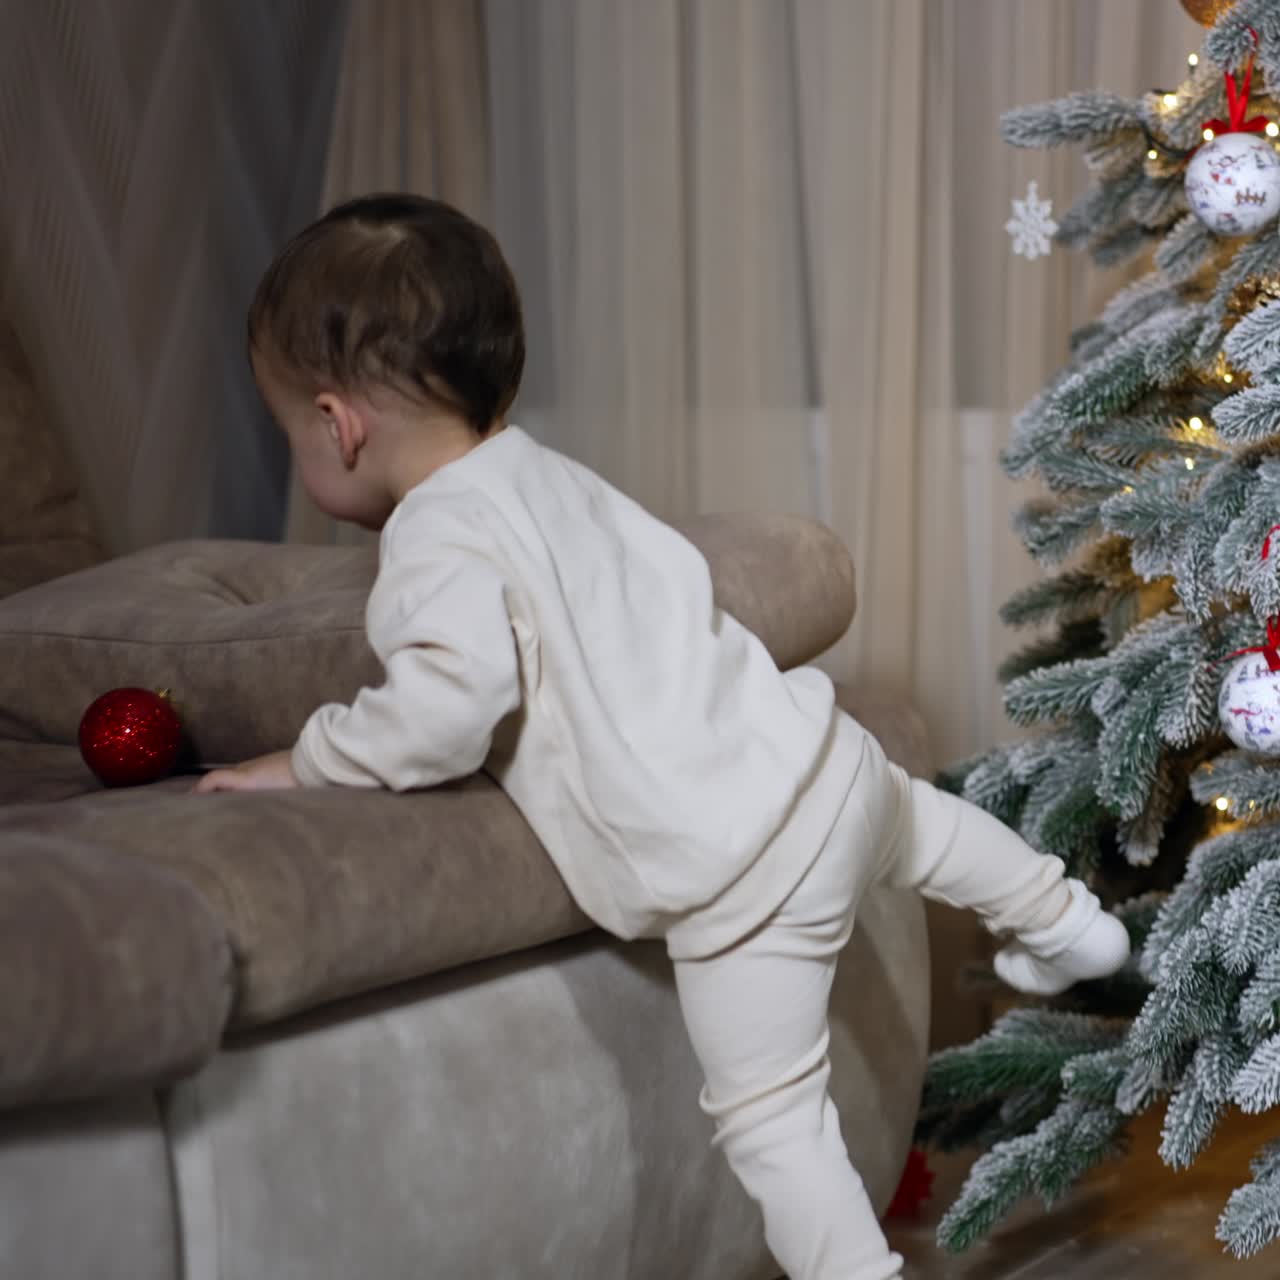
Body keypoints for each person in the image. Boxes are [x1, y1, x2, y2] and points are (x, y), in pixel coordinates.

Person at [194, 193, 1130, 1280]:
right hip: (820, 766)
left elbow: (445, 710)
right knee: (924, 827)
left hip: (736, 873)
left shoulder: (435, 541)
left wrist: (305, 757)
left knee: (773, 1118)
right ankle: (1065, 919)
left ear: (335, 423)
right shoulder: (551, 475)